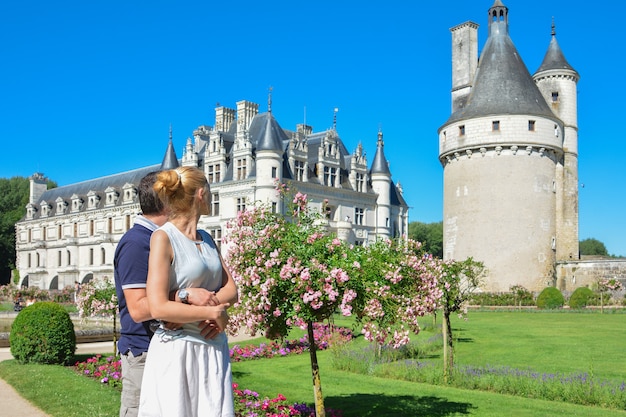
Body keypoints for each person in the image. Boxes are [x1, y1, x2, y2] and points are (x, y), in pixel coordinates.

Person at [115, 172, 224, 417]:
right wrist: (186, 297)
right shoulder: (137, 242)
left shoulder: (189, 238)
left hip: (180, 345)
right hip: (145, 349)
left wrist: (203, 306)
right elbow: (138, 308)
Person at [138, 167, 238, 417]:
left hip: (212, 347)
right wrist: (212, 311)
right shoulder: (163, 237)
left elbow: (232, 290)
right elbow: (158, 306)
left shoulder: (207, 239)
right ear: (201, 194)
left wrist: (209, 311)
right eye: (211, 191)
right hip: (179, 351)